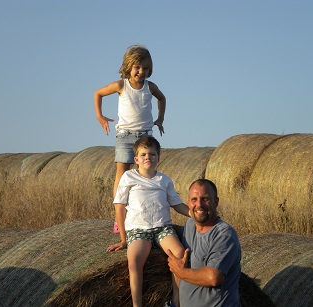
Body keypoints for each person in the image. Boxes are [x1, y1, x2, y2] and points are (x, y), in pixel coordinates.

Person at [107, 136, 189, 307]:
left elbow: (178, 205)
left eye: (152, 154)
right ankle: (138, 305)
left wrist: (195, 214)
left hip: (162, 228)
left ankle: (176, 302)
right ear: (136, 159)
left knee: (180, 254)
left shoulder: (164, 181)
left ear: (158, 158)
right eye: (143, 154)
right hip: (138, 230)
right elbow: (120, 208)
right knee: (134, 259)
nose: (148, 157)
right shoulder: (128, 177)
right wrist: (124, 239)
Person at [94, 45, 166, 233]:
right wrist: (100, 116)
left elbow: (162, 98)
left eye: (145, 68)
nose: (141, 72)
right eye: (137, 67)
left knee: (144, 176)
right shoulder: (121, 85)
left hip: (144, 137)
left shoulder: (150, 87)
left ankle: (141, 215)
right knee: (122, 175)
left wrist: (160, 119)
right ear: (128, 66)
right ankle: (119, 218)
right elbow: (98, 93)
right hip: (125, 135)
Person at [167, 179, 242, 307]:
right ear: (188, 202)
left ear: (216, 202)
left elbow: (214, 277)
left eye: (205, 199)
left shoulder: (224, 235)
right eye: (194, 199)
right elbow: (173, 231)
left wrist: (181, 272)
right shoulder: (190, 225)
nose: (199, 204)